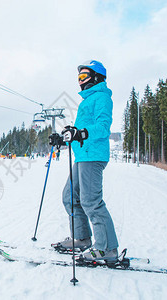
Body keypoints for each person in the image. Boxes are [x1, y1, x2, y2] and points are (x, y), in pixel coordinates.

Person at [51, 60, 119, 263]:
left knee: (91, 201)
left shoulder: (102, 98)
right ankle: (81, 238)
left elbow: (103, 127)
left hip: (93, 156)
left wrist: (80, 132)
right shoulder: (86, 101)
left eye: (84, 76)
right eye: (79, 77)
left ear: (97, 76)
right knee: (70, 197)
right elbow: (80, 135)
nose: (80, 81)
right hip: (82, 156)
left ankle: (107, 249)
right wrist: (64, 137)